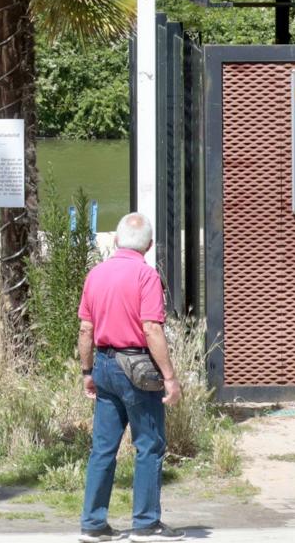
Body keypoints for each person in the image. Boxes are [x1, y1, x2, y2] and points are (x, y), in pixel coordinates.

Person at [77, 213, 184, 542]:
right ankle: (146, 523)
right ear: (149, 246)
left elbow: (85, 329)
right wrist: (169, 377)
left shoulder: (95, 275)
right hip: (137, 366)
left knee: (103, 449)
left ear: (115, 240)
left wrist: (86, 371)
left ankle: (93, 524)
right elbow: (151, 328)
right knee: (149, 445)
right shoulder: (146, 276)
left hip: (105, 364)